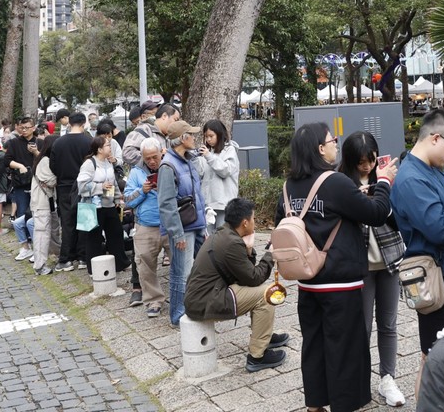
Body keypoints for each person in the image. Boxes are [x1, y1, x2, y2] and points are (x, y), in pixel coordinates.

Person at [277, 122, 396, 412]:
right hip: (340, 283)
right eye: (332, 141)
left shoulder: (289, 186)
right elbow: (376, 213)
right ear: (321, 148)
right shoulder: (336, 182)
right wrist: (384, 182)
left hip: (307, 282)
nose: (335, 145)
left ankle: (315, 405)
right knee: (346, 350)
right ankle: (344, 405)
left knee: (314, 346)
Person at [391, 109, 444, 356]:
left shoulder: (430, 170)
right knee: (440, 361)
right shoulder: (412, 179)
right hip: (442, 285)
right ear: (436, 138)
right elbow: (438, 228)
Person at [338, 132, 406, 408]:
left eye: (371, 160)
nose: (367, 166)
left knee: (388, 324)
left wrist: (382, 195)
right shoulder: (341, 183)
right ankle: (359, 380)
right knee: (362, 327)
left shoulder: (386, 178)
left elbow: (400, 220)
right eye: (361, 162)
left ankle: (388, 378)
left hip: (389, 261)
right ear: (350, 160)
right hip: (360, 266)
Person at [185, 197, 288, 372]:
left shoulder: (224, 234)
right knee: (267, 294)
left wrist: (248, 249)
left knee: (259, 290)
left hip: (204, 295)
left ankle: (263, 336)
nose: (255, 221)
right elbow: (254, 277)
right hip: (205, 302)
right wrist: (270, 255)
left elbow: (246, 276)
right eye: (253, 218)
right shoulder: (231, 242)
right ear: (245, 223)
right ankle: (257, 356)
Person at [157, 118, 209, 327]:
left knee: (199, 269)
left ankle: (194, 309)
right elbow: (166, 203)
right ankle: (178, 317)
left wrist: (204, 226)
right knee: (181, 273)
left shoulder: (187, 160)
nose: (195, 138)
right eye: (192, 135)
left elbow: (197, 195)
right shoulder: (168, 166)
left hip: (195, 224)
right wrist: (176, 233)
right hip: (183, 227)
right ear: (183, 138)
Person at [76, 134, 130, 275]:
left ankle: (120, 263)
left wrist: (118, 199)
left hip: (108, 204)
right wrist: (101, 187)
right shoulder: (89, 164)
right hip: (93, 207)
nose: (110, 147)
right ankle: (94, 268)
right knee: (94, 237)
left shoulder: (108, 162)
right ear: (99, 149)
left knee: (116, 233)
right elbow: (82, 186)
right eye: (107, 145)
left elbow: (114, 183)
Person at [125, 140, 166, 315]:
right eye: (147, 158)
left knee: (181, 263)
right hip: (145, 225)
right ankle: (153, 300)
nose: (151, 161)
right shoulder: (136, 172)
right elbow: (128, 200)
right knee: (145, 265)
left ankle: (182, 297)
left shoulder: (169, 166)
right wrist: (142, 191)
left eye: (154, 157)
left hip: (169, 223)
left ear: (161, 153)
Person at [49, 110, 93, 272]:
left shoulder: (58, 142)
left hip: (64, 187)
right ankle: (83, 258)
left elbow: (53, 166)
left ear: (69, 123)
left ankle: (66, 259)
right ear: (84, 123)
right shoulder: (89, 142)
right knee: (85, 222)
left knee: (67, 223)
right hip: (85, 186)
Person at [4, 117, 39, 260]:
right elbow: (6, 160)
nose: (24, 130)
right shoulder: (14, 143)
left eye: (27, 127)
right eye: (21, 127)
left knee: (35, 216)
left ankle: (37, 248)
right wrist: (19, 166)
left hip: (37, 184)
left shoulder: (40, 142)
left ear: (33, 128)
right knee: (22, 214)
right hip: (20, 183)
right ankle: (25, 246)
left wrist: (36, 152)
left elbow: (46, 161)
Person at [199, 119, 240, 236]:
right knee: (208, 237)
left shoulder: (229, 150)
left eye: (211, 136)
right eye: (206, 136)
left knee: (222, 237)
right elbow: (201, 174)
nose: (208, 139)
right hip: (208, 204)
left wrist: (209, 156)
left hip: (223, 203)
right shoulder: (208, 152)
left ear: (220, 134)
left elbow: (225, 170)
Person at [30, 135, 57, 275]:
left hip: (43, 201)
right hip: (41, 203)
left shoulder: (41, 159)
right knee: (42, 234)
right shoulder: (45, 161)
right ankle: (39, 265)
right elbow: (51, 181)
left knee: (45, 232)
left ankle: (42, 262)